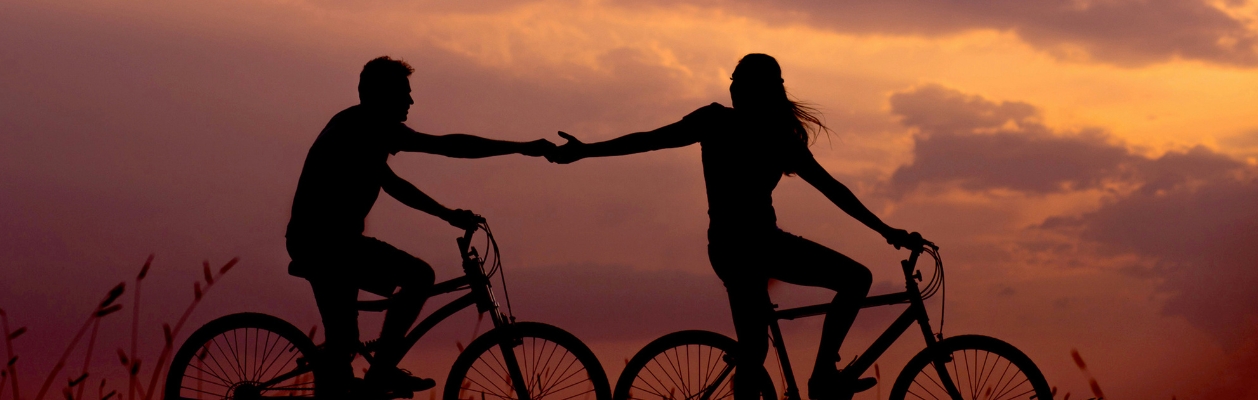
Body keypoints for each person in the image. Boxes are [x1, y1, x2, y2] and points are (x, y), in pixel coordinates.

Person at [546, 53, 926, 400]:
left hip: (730, 248)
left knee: (754, 350)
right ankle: (823, 375)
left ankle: (806, 379)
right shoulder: (749, 130)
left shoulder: (743, 129)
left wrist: (885, 229)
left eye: (740, 81)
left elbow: (833, 189)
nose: (732, 87)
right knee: (855, 279)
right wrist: (886, 231)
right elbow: (648, 141)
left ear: (758, 90)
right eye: (733, 80)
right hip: (758, 246)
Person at [286, 56, 554, 397]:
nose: (411, 101)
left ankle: (371, 374)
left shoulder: (360, 127)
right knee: (418, 277)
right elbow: (446, 147)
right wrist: (521, 148)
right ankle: (381, 371)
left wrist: (447, 213)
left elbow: (393, 182)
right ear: (381, 95)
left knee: (344, 348)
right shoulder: (365, 127)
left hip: (332, 244)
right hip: (325, 245)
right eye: (403, 93)